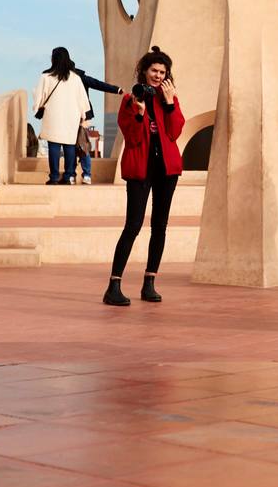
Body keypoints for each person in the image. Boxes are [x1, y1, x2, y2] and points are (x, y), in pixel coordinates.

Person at [104, 47, 183, 305]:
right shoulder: (130, 99)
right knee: (133, 226)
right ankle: (113, 285)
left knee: (160, 226)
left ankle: (149, 282)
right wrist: (139, 113)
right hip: (140, 170)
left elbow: (174, 132)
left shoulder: (168, 99)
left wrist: (170, 105)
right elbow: (133, 138)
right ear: (144, 72)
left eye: (162, 72)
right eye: (154, 71)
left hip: (166, 171)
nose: (158, 76)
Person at [35, 47, 92, 185]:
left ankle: (54, 177)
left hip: (53, 116)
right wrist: (83, 114)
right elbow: (82, 99)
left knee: (53, 146)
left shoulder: (45, 76)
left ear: (53, 59)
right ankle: (68, 176)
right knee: (69, 147)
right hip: (71, 117)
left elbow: (39, 96)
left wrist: (38, 107)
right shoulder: (75, 78)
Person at [74, 66, 122, 184]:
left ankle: (85, 175)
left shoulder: (79, 77)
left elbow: (98, 84)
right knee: (77, 146)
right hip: (71, 116)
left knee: (82, 144)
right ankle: (76, 174)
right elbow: (97, 84)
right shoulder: (70, 77)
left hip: (81, 116)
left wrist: (116, 89)